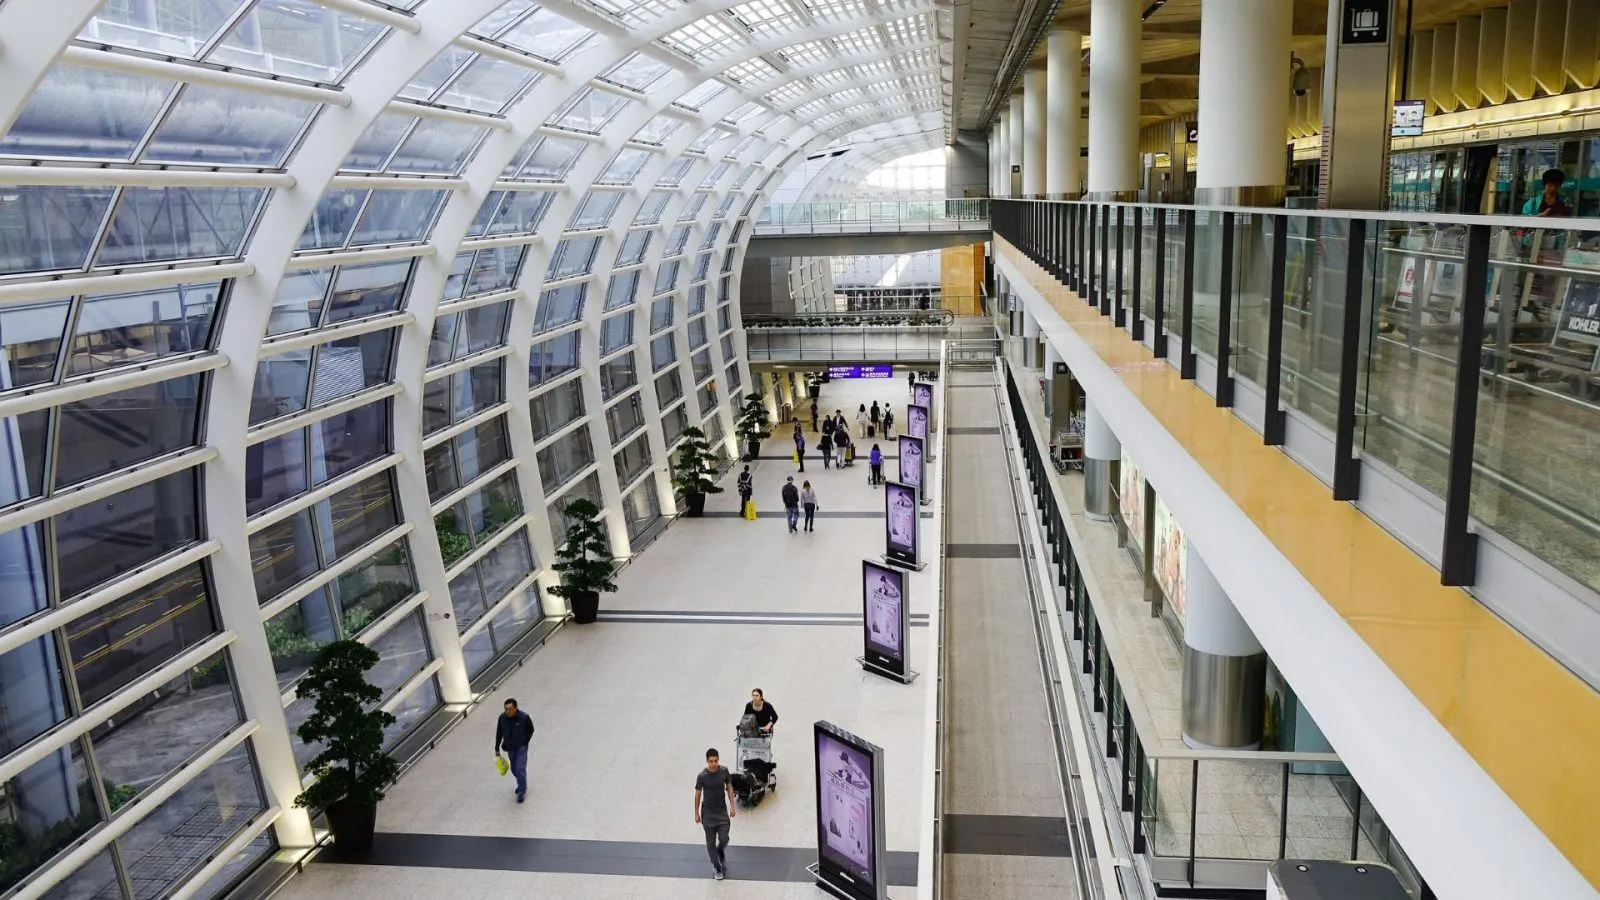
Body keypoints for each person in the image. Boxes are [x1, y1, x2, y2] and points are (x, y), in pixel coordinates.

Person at [694, 748, 737, 880]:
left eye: (716, 761)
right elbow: (698, 794)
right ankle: (717, 867)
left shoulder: (724, 771)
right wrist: (696, 813)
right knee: (710, 843)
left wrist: (732, 806)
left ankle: (720, 850)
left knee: (724, 838)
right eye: (711, 761)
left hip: (721, 812)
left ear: (718, 760)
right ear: (707, 761)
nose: (713, 764)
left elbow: (729, 787)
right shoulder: (702, 776)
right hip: (708, 813)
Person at [493, 698, 535, 804]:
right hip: (510, 747)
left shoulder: (524, 717)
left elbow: (531, 729)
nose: (507, 711)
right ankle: (522, 783)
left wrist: (525, 742)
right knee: (514, 769)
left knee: (520, 768)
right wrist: (497, 748)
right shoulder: (502, 718)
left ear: (515, 708)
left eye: (510, 709)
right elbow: (499, 733)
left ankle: (521, 791)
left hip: (521, 747)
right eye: (506, 709)